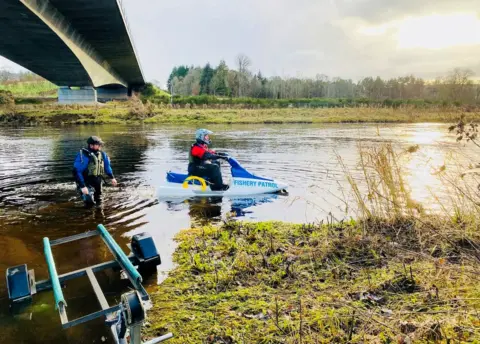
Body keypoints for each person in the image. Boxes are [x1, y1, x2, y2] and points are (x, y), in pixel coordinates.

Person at [73, 136, 117, 206]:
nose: (100, 146)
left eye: (100, 144)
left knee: (99, 200)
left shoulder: (102, 154)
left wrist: (112, 178)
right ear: (91, 145)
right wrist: (82, 186)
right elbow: (77, 171)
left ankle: (99, 214)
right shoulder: (84, 155)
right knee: (89, 202)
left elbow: (107, 166)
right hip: (86, 181)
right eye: (98, 145)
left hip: (98, 180)